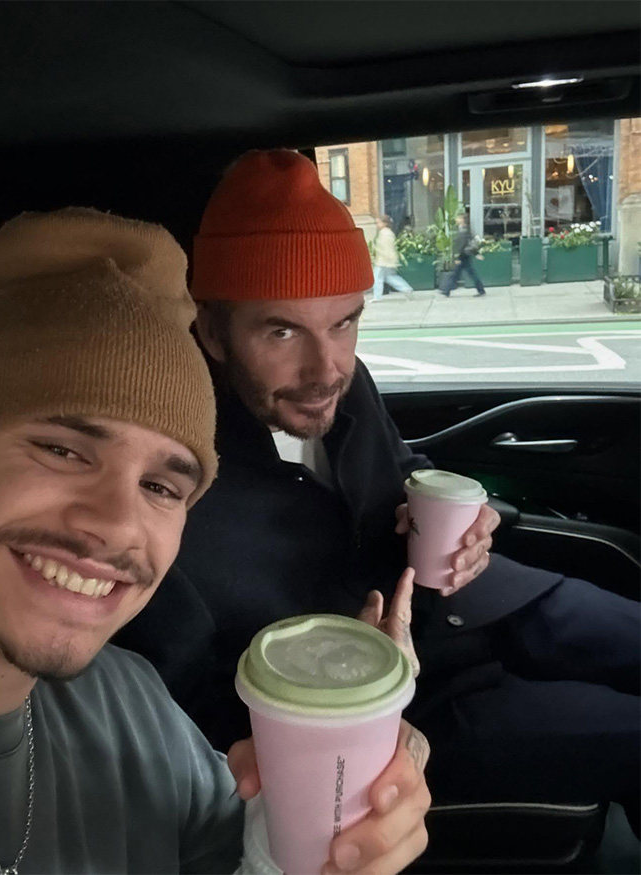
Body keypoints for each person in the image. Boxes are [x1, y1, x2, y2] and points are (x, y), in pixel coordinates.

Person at [115, 151, 639, 836]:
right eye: (282, 331)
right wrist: (347, 695)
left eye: (344, 322)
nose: (325, 368)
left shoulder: (345, 381)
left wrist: (467, 521)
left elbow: (402, 467)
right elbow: (192, 716)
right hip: (413, 704)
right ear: (213, 333)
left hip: (482, 600)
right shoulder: (167, 477)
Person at [0, 207, 431, 874]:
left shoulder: (131, 703)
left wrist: (321, 829)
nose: (118, 523)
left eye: (161, 486)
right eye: (62, 450)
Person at [440, 212, 486, 297]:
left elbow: (462, 244)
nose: (456, 219)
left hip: (463, 255)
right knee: (459, 273)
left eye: (458, 218)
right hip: (464, 255)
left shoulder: (463, 230)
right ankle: (447, 290)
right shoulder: (464, 229)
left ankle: (447, 290)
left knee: (460, 273)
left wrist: (458, 257)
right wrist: (476, 253)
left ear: (462, 220)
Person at [371, 215, 413, 302]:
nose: (377, 225)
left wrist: (380, 254)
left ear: (384, 223)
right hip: (387, 260)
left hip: (383, 260)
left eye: (378, 223)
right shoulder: (388, 233)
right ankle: (406, 288)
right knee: (389, 277)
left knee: (377, 277)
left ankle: (377, 297)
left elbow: (385, 248)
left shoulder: (384, 234)